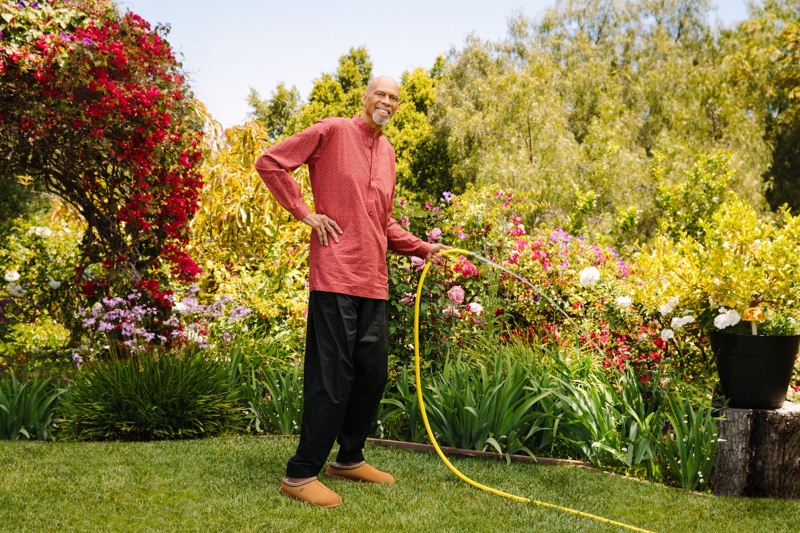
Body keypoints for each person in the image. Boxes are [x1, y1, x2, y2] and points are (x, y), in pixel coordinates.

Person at [255, 76, 447, 508]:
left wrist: (421, 248)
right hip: (335, 275)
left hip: (373, 280)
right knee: (332, 376)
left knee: (372, 373)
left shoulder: (389, 153)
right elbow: (270, 162)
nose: (387, 101)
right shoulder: (333, 131)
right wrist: (305, 214)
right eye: (381, 93)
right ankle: (300, 473)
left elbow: (381, 220)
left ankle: (349, 458)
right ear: (365, 98)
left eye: (394, 98)